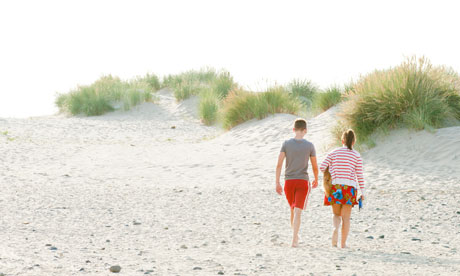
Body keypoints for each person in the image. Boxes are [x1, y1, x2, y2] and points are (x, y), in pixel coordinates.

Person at [276, 118, 318, 247]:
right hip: (303, 181)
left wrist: (277, 182)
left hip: (289, 181)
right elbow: (314, 165)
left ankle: (295, 235)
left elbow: (279, 164)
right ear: (305, 130)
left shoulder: (286, 144)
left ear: (293, 129)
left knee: (292, 209)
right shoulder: (310, 145)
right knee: (298, 211)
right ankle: (295, 239)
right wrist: (316, 178)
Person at [320, 129, 365, 248]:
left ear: (342, 140)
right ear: (353, 141)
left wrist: (333, 171)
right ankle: (343, 244)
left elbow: (322, 166)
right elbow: (359, 175)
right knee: (346, 218)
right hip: (349, 189)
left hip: (335, 187)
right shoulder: (356, 155)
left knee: (336, 215)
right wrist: (363, 192)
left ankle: (335, 229)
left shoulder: (334, 152)